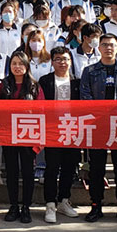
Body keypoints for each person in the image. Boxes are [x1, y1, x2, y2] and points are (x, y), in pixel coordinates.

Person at [80, 33, 117, 225]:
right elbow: (85, 97)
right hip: (97, 125)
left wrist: (114, 115)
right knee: (97, 169)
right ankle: (96, 205)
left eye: (112, 45)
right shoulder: (89, 71)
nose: (108, 48)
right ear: (99, 48)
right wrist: (102, 116)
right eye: (104, 45)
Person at [0, 51, 44, 223]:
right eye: (14, 63)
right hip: (9, 135)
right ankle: (13, 206)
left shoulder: (34, 86)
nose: (17, 67)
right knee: (11, 171)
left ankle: (26, 207)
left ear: (27, 66)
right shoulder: (4, 85)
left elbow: (41, 111)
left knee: (28, 172)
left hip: (27, 135)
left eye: (21, 63)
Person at [38, 47, 81, 223]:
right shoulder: (45, 81)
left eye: (65, 59)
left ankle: (64, 200)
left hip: (71, 129)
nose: (62, 62)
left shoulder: (77, 82)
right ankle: (50, 204)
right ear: (52, 62)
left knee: (69, 167)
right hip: (52, 129)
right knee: (52, 167)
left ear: (70, 61)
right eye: (58, 59)